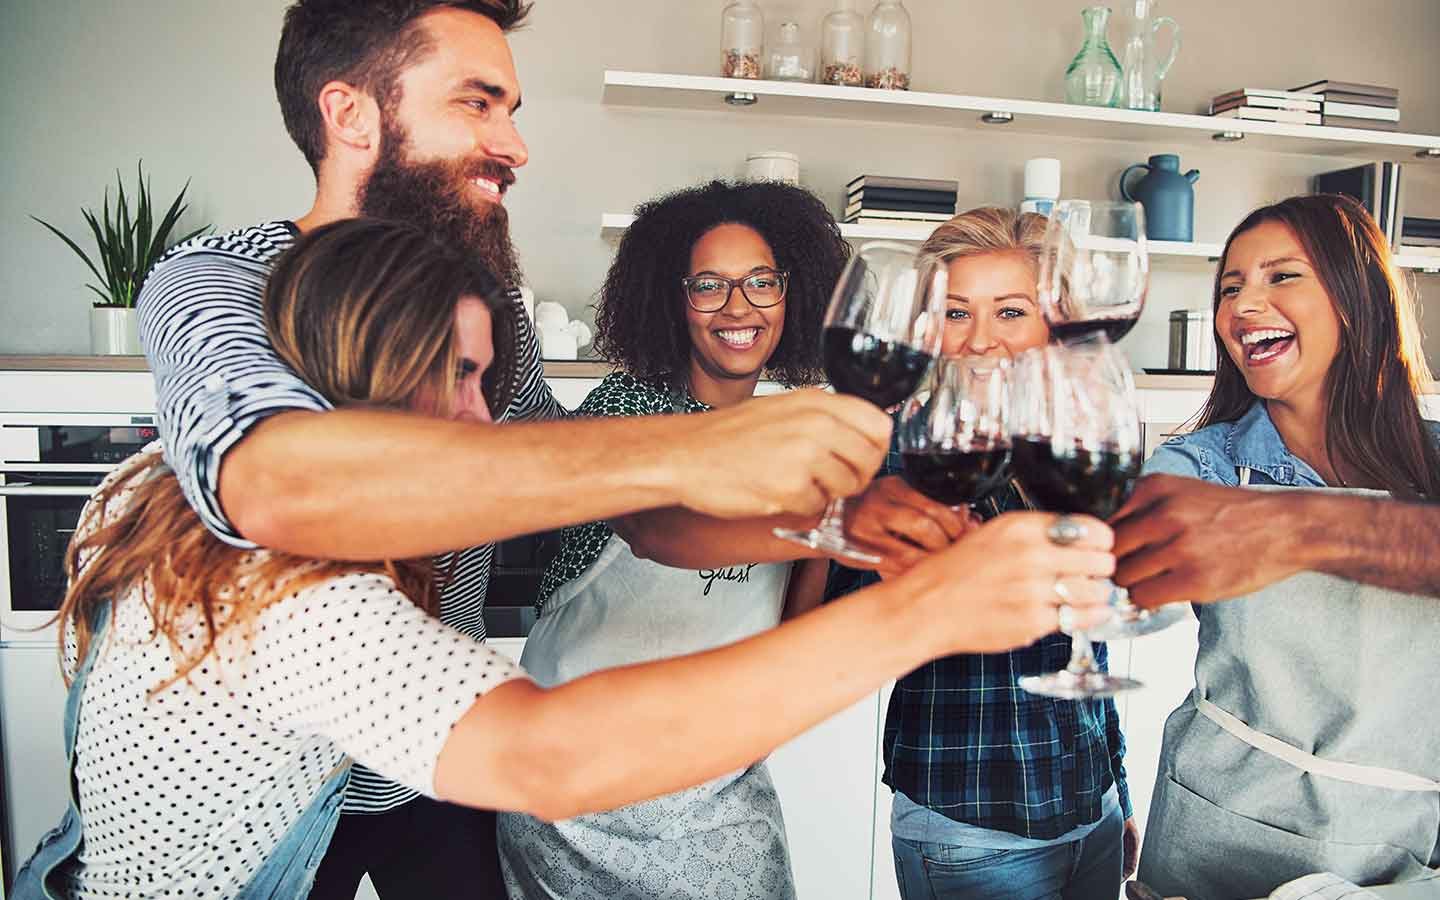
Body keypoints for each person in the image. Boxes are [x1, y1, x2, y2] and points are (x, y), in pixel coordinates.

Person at [12, 217, 1119, 900]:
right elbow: (550, 754)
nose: (484, 421)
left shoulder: (154, 489)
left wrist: (836, 531)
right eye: (457, 376)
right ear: (365, 366)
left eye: (489, 380)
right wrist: (924, 608)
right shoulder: (303, 600)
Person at [129, 1, 919, 895]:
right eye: (477, 103)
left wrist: (831, 519)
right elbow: (275, 482)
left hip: (447, 764)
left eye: (511, 109)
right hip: (275, 794)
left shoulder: (491, 302)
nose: (515, 146)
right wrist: (705, 449)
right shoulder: (219, 280)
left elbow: (586, 473)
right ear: (349, 114)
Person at [499, 179, 915, 899]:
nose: (738, 307)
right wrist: (830, 525)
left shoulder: (793, 432)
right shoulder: (626, 407)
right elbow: (658, 530)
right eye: (709, 285)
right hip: (573, 778)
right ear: (675, 298)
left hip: (715, 780)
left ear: (791, 294)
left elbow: (792, 630)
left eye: (761, 282)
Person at [1118, 194, 1440, 899]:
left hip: (1401, 851)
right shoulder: (1200, 466)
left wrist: (1302, 528)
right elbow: (1120, 568)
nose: (1242, 306)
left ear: (1358, 298)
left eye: (1282, 276)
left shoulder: (1437, 463)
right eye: (1229, 288)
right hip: (1213, 839)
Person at [829, 207, 1137, 900]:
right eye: (957, 313)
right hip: (969, 829)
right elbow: (843, 622)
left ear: (1056, 323)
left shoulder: (1071, 452)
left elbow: (1089, 649)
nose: (980, 340)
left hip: (1090, 810)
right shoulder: (894, 452)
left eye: (1010, 312)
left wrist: (1117, 789)